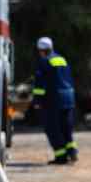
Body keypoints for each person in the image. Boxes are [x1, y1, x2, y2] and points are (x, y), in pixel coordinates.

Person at [33, 36, 77, 164]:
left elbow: (40, 85)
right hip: (68, 98)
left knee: (52, 128)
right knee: (66, 127)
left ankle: (61, 157)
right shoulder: (62, 59)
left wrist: (37, 101)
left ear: (41, 50)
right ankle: (72, 151)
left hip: (54, 100)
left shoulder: (44, 61)